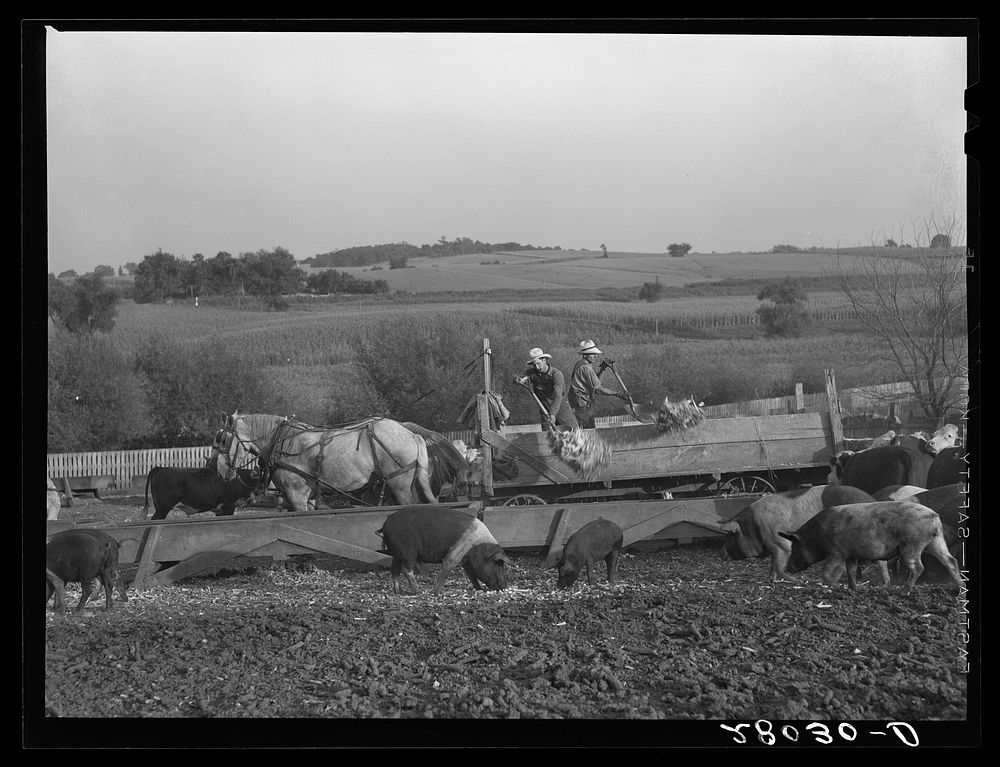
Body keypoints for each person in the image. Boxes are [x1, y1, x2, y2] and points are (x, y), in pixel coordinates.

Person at [515, 348, 579, 432]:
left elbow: (557, 396)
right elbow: (517, 378)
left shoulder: (556, 375)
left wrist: (552, 414)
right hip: (544, 410)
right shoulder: (531, 373)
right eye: (534, 365)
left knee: (575, 433)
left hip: (560, 408)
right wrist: (518, 380)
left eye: (538, 364)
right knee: (548, 438)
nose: (537, 367)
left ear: (544, 360)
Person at [569, 340, 627, 428]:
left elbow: (595, 382)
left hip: (581, 401)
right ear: (585, 355)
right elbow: (598, 389)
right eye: (593, 354)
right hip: (580, 402)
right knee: (587, 428)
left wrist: (602, 369)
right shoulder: (585, 368)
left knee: (587, 426)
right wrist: (617, 394)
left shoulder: (584, 364)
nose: (596, 356)